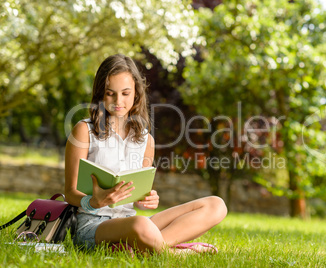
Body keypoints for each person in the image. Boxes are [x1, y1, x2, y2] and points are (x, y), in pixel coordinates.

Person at [64, 54, 227, 255]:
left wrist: (148, 199)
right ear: (100, 94)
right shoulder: (84, 131)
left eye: (125, 93)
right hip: (93, 225)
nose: (118, 101)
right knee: (141, 226)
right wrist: (93, 201)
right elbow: (70, 192)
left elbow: (138, 192)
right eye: (110, 93)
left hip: (132, 222)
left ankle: (145, 246)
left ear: (136, 94)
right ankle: (173, 253)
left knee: (216, 205)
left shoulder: (146, 140)